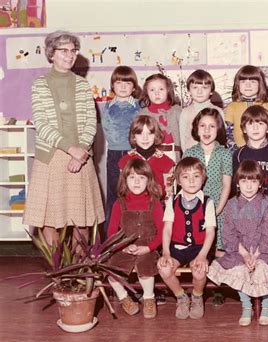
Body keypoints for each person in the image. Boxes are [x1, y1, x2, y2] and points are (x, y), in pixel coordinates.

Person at [23, 31, 104, 246]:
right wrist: (70, 149)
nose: (69, 55)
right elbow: (42, 124)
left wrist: (81, 153)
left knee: (82, 221)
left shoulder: (82, 84)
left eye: (73, 51)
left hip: (81, 157)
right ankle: (59, 274)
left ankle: (80, 276)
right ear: (51, 54)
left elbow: (90, 122)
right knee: (50, 221)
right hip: (51, 157)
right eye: (63, 51)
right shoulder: (40, 84)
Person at [207, 160, 268, 326]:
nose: (248, 186)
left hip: (262, 250)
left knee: (261, 268)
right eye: (244, 181)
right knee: (238, 269)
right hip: (239, 251)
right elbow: (229, 233)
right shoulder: (231, 204)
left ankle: (266, 303)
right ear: (237, 183)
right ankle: (246, 305)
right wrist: (244, 254)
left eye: (253, 181)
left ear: (260, 183)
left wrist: (257, 253)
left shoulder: (267, 203)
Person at [183, 108, 232, 305]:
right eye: (202, 125)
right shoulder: (190, 152)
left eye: (212, 126)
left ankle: (217, 288)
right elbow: (184, 182)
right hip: (196, 208)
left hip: (218, 207)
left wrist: (218, 209)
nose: (207, 130)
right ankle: (198, 287)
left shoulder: (224, 153)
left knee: (218, 248)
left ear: (218, 129)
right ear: (196, 128)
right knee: (200, 248)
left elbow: (227, 184)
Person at [158, 157, 216, 320]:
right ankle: (181, 297)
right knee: (164, 268)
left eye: (196, 176)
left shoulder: (207, 202)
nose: (191, 181)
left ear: (203, 178)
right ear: (178, 180)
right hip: (177, 247)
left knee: (199, 271)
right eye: (186, 177)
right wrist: (166, 252)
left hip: (200, 248)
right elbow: (167, 229)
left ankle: (197, 297)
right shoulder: (172, 201)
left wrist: (203, 255)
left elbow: (210, 232)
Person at [107, 158, 164, 319]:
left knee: (145, 266)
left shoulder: (155, 203)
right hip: (124, 246)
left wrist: (149, 248)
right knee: (111, 271)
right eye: (132, 177)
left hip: (148, 246)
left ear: (149, 180)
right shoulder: (119, 204)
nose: (137, 182)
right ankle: (124, 297)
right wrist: (121, 246)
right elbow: (111, 231)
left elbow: (162, 232)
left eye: (141, 178)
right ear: (125, 180)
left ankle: (148, 298)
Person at [233, 105, 268, 256]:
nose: (255, 127)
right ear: (243, 128)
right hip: (246, 205)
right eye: (250, 123)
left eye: (260, 123)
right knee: (248, 244)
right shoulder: (238, 154)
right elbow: (235, 183)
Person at [99, 65, 141, 229]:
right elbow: (108, 129)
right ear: (113, 86)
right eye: (119, 83)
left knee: (135, 192)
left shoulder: (138, 106)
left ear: (134, 87)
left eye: (128, 83)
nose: (123, 87)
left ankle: (136, 230)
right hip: (115, 154)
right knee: (115, 193)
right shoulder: (108, 107)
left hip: (135, 153)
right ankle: (111, 234)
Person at [119, 115, 174, 200]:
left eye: (149, 133)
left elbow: (169, 193)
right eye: (140, 133)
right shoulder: (125, 161)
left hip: (157, 206)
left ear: (156, 135)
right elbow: (123, 189)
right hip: (132, 206)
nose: (145, 138)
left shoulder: (166, 161)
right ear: (134, 137)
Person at [225, 65, 268, 148]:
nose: (248, 85)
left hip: (263, 151)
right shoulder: (232, 107)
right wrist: (234, 149)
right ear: (237, 85)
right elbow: (228, 133)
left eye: (252, 82)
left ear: (260, 84)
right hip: (239, 151)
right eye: (243, 82)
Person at [139, 73, 182, 162]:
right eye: (152, 90)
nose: (157, 93)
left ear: (168, 90)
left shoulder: (177, 111)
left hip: (173, 154)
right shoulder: (142, 114)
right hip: (151, 155)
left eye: (161, 89)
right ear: (147, 92)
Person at [179, 70, 225, 152]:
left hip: (213, 156)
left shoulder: (218, 111)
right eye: (195, 87)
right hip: (192, 157)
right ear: (189, 91)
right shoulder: (185, 112)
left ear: (211, 91)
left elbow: (222, 137)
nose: (199, 91)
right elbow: (183, 139)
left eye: (204, 87)